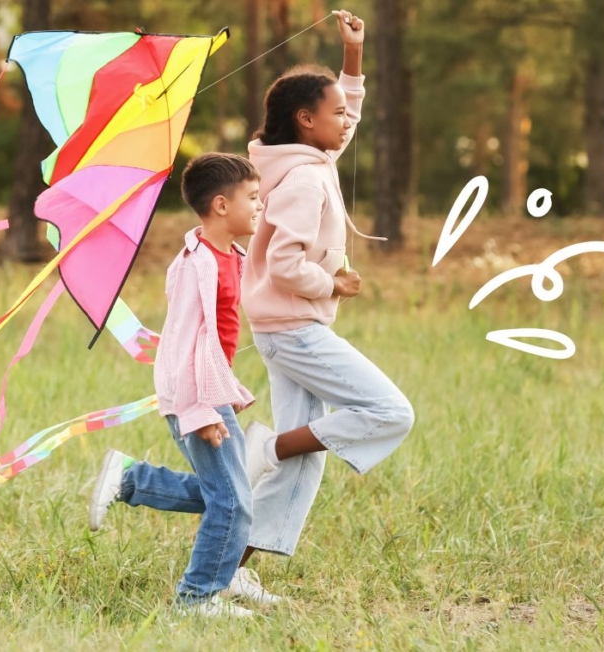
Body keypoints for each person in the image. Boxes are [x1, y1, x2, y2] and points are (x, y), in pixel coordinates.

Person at [239, 9, 415, 591]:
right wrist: (331, 282)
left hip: (284, 324)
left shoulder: (301, 159)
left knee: (304, 464)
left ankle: (224, 572)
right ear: (305, 119)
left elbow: (347, 116)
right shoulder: (307, 178)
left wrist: (353, 59)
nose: (347, 122)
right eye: (335, 113)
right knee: (390, 411)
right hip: (293, 325)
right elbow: (287, 266)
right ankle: (268, 443)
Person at [87, 153, 266, 618]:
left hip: (209, 392)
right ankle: (197, 597)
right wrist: (199, 410)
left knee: (227, 490)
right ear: (222, 206)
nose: (260, 205)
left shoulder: (230, 257)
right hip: (193, 397)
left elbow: (217, 340)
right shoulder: (196, 266)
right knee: (231, 499)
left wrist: (226, 389)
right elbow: (183, 344)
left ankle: (130, 479)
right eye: (253, 197)